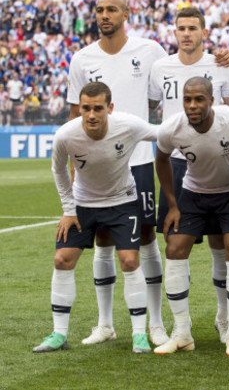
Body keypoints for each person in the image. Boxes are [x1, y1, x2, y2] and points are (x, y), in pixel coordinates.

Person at [66, 0, 169, 347]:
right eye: (99, 10)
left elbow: (157, 99)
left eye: (111, 9)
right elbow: (73, 117)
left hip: (137, 160)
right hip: (96, 168)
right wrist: (76, 169)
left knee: (145, 237)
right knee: (102, 239)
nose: (104, 15)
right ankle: (105, 323)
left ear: (126, 13)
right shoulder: (82, 58)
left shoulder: (149, 51)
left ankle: (155, 323)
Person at [33, 82, 157, 354]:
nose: (90, 114)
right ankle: (58, 334)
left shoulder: (128, 125)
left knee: (129, 260)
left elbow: (163, 134)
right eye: (85, 108)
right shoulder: (65, 135)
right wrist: (68, 209)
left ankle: (139, 335)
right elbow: (59, 171)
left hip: (122, 202)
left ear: (109, 108)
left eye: (97, 108)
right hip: (83, 205)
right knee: (62, 258)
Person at [149, 7, 229, 342]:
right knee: (176, 242)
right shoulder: (160, 67)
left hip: (220, 164)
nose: (186, 33)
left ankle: (224, 317)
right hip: (178, 164)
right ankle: (181, 327)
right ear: (174, 33)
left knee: (224, 244)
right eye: (181, 28)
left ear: (203, 32)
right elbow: (149, 106)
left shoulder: (221, 64)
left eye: (192, 28)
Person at [153, 77, 229, 356]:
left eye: (199, 99)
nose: (192, 105)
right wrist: (172, 205)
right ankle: (182, 331)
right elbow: (160, 159)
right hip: (193, 195)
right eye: (187, 99)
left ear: (212, 100)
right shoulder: (173, 127)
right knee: (174, 248)